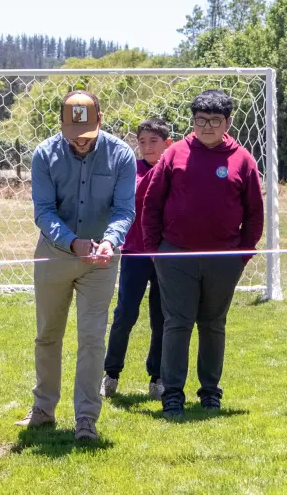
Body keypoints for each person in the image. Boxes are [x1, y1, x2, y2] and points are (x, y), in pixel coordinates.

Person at [16, 90, 135, 441]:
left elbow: (124, 209)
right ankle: (43, 410)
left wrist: (110, 241)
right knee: (47, 335)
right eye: (73, 136)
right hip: (55, 255)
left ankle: (86, 418)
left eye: (87, 136)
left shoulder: (122, 155)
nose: (80, 143)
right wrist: (72, 242)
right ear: (61, 126)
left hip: (101, 260)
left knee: (92, 339)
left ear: (100, 121)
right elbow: (44, 211)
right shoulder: (44, 155)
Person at [140, 91, 264, 418]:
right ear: (192, 121)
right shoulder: (174, 155)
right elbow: (152, 204)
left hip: (224, 260)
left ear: (228, 122)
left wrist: (242, 256)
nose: (206, 127)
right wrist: (156, 251)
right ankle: (172, 393)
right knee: (176, 324)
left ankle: (210, 392)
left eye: (214, 121)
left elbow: (254, 214)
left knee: (213, 324)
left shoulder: (243, 160)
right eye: (200, 120)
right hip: (175, 257)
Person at [100, 117, 172, 401]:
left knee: (162, 318)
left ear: (167, 143)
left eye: (153, 141)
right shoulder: (132, 171)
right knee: (125, 314)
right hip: (134, 253)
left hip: (165, 255)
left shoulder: (176, 169)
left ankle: (157, 377)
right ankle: (111, 374)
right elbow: (128, 202)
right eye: (142, 142)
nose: (147, 147)